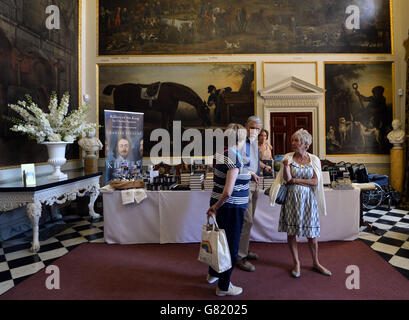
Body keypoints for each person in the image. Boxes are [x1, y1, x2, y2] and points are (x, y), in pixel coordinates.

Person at [269, 129, 331, 278]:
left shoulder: (314, 159)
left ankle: (316, 262)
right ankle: (296, 263)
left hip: (309, 200)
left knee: (312, 234)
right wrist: (285, 166)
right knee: (292, 233)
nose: (293, 143)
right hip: (291, 200)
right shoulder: (288, 158)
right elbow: (287, 179)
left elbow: (316, 181)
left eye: (296, 140)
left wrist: (296, 180)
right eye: (292, 140)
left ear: (305, 143)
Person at [206, 123, 251, 296]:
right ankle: (224, 287)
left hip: (223, 205)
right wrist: (215, 208)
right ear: (242, 138)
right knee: (230, 246)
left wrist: (248, 174)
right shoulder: (234, 157)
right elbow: (228, 191)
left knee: (218, 241)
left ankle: (213, 274)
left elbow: (229, 175)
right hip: (230, 207)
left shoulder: (223, 153)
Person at [236, 116, 263, 272]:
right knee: (247, 221)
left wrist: (263, 166)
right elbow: (236, 165)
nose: (255, 131)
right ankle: (240, 256)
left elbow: (252, 161)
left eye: (258, 129)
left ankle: (244, 249)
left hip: (254, 185)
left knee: (250, 221)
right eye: (252, 127)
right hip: (243, 186)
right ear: (245, 127)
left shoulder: (254, 143)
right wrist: (250, 172)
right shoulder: (239, 143)